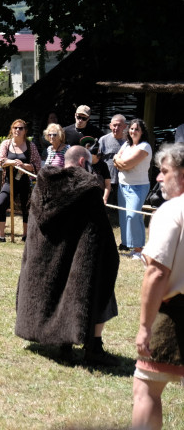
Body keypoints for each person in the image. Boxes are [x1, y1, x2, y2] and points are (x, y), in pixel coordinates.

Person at [15, 145, 120, 367]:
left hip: (48, 258)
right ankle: (94, 347)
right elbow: (99, 230)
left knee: (61, 286)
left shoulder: (42, 184)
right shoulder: (89, 188)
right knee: (100, 284)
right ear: (83, 162)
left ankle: (64, 346)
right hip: (77, 258)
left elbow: (36, 227)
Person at [131, 142, 184, 430]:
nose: (159, 178)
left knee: (146, 389)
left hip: (175, 314)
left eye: (165, 172)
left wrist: (145, 326)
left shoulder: (171, 211)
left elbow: (156, 273)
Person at [0, 119, 42, 242]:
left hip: (26, 182)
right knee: (0, 204)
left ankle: (26, 236)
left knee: (27, 208)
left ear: (25, 131)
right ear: (11, 129)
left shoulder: (31, 146)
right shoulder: (6, 144)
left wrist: (24, 166)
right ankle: (1, 236)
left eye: (20, 128)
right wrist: (12, 162)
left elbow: (37, 166)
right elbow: (1, 160)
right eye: (15, 128)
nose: (17, 130)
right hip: (10, 182)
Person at [114, 118, 152, 259]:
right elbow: (117, 160)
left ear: (142, 132)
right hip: (123, 186)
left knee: (133, 216)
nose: (133, 131)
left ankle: (139, 249)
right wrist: (119, 162)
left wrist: (119, 163)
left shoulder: (144, 147)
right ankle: (131, 247)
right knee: (124, 217)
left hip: (138, 187)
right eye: (131, 128)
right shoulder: (125, 145)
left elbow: (127, 164)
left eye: (137, 129)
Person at [99, 114, 127, 224]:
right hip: (107, 180)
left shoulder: (128, 141)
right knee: (106, 206)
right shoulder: (103, 140)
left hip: (124, 179)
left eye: (119, 125)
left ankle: (121, 223)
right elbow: (98, 159)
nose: (116, 128)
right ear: (110, 126)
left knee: (122, 206)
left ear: (125, 126)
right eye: (114, 125)